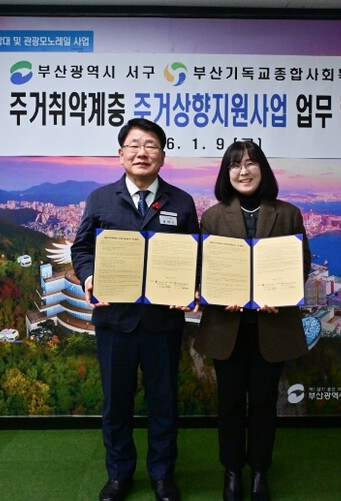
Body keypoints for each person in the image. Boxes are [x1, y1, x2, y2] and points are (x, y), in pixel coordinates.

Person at [71, 118, 200, 501]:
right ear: (121, 153)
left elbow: (196, 254)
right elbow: (82, 248)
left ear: (162, 155)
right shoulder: (100, 199)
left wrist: (193, 285)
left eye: (151, 145)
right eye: (134, 145)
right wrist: (88, 276)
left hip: (163, 321)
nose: (142, 152)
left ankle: (162, 475)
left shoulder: (181, 202)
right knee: (116, 404)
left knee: (164, 402)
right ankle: (119, 475)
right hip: (115, 319)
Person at [193, 141, 310, 501]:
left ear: (263, 168)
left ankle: (260, 471)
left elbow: (301, 266)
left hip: (271, 326)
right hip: (226, 327)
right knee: (229, 404)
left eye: (250, 163)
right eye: (235, 165)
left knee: (263, 403)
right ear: (226, 173)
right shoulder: (213, 217)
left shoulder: (288, 213)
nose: (243, 171)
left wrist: (282, 295)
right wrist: (216, 293)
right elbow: (204, 269)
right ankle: (231, 471)